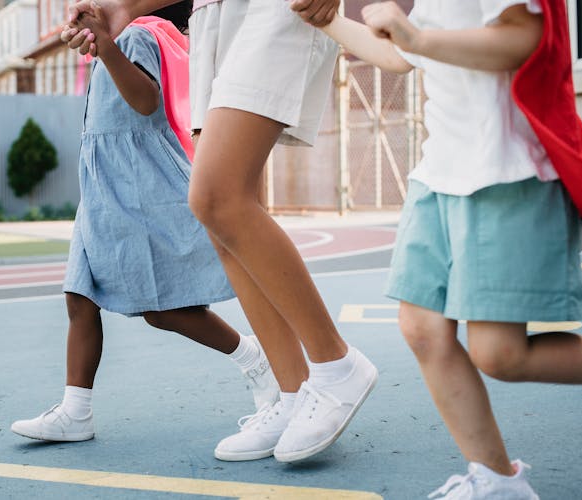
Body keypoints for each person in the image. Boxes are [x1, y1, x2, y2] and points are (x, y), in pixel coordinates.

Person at [62, 0, 379, 464]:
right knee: (218, 211)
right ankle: (292, 391)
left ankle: (336, 364)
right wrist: (126, 7)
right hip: (215, 15)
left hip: (269, 8)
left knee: (216, 197)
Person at [318, 1, 582, 497]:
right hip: (439, 171)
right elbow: (403, 57)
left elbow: (524, 38)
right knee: (422, 329)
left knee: (501, 355)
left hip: (505, 173)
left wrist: (416, 38)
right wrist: (328, 20)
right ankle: (497, 481)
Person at [11, 1, 279, 444]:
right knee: (79, 296)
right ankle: (76, 411)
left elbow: (144, 100)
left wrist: (107, 48)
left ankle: (255, 359)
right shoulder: (121, 38)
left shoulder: (138, 36)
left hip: (140, 183)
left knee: (162, 310)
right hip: (103, 186)